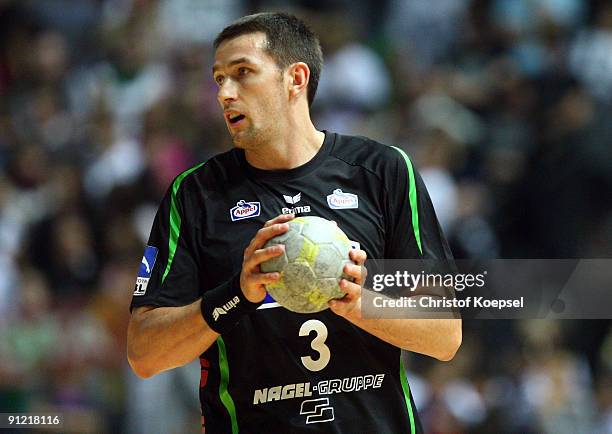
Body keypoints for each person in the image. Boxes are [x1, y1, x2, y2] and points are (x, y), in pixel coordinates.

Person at [127, 12, 461, 434]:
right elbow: (143, 353)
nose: (224, 93)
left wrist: (361, 303)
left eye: (242, 73)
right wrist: (236, 295)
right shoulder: (196, 195)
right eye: (218, 79)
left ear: (295, 78)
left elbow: (445, 335)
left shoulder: (382, 172)